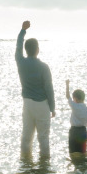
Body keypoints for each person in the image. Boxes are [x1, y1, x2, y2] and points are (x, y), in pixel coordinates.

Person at [15, 20, 55, 158]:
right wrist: (52, 107)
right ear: (37, 49)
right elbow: (49, 89)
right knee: (43, 138)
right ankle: (44, 168)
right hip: (42, 104)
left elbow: (18, 47)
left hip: (27, 104)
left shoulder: (21, 62)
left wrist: (22, 30)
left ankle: (26, 167)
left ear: (26, 50)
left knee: (26, 137)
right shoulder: (44, 67)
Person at [65, 80, 87, 155]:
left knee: (72, 152)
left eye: (73, 99)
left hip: (74, 131)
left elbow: (67, 96)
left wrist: (67, 85)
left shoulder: (74, 105)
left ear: (75, 98)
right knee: (82, 152)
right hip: (83, 131)